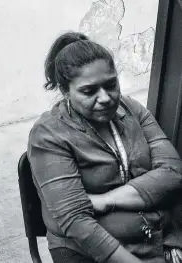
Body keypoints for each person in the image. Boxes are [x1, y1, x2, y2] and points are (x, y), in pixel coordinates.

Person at [28, 31, 182, 263]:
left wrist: (105, 200)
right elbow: (76, 221)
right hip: (90, 252)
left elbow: (172, 173)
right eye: (89, 91)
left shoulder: (130, 110)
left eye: (111, 85)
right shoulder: (49, 135)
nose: (106, 98)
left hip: (155, 238)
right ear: (65, 90)